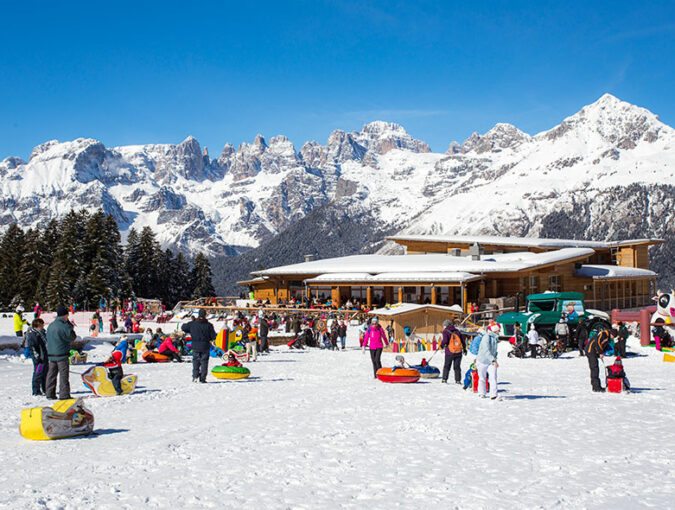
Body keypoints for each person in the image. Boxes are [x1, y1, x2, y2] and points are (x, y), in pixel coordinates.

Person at [45, 305, 76, 400]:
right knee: (63, 376)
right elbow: (72, 337)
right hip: (62, 354)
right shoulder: (65, 325)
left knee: (51, 374)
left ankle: (49, 393)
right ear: (65, 315)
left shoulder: (51, 325)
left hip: (51, 354)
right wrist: (70, 326)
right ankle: (64, 394)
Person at [182, 309, 217, 383]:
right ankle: (203, 378)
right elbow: (213, 336)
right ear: (205, 315)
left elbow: (183, 327)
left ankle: (195, 376)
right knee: (204, 362)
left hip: (195, 346)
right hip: (205, 346)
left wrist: (190, 329)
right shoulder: (209, 325)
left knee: (195, 362)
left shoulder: (193, 324)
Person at [26, 318, 49, 396]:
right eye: (41, 325)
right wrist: (37, 357)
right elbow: (32, 347)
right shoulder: (33, 334)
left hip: (44, 356)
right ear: (37, 326)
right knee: (38, 373)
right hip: (38, 358)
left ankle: (45, 388)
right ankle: (36, 390)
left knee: (45, 373)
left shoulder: (42, 333)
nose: (43, 326)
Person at [440, 319, 466, 384]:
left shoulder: (445, 331)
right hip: (458, 352)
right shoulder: (457, 331)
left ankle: (444, 379)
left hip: (449, 352)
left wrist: (441, 346)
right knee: (457, 367)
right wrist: (464, 348)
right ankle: (458, 380)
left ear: (446, 325)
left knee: (447, 366)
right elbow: (462, 340)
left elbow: (445, 341)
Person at [476, 329, 499, 399]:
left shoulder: (495, 338)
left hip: (491, 361)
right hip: (482, 360)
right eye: (498, 330)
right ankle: (482, 392)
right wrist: (493, 360)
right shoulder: (486, 337)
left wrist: (494, 358)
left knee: (493, 377)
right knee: (482, 377)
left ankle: (493, 394)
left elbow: (494, 350)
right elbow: (486, 351)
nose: (499, 331)